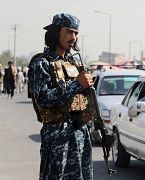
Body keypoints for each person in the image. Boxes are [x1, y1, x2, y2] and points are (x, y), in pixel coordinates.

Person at [27, 13, 94, 179]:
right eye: (69, 32)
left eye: (76, 33)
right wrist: (77, 84)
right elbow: (43, 98)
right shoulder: (42, 63)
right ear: (56, 33)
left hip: (80, 133)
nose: (73, 37)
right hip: (57, 135)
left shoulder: (74, 63)